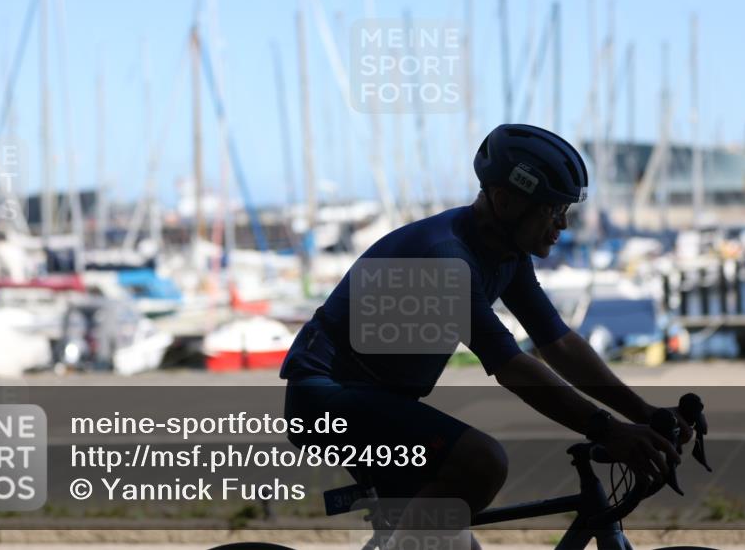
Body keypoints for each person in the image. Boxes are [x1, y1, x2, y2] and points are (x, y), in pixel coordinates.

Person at [280, 124, 691, 549]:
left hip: (379, 400)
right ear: (505, 200)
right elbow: (511, 366)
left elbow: (559, 344)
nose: (562, 225)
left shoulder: (504, 251)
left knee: (453, 541)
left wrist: (642, 412)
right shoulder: (446, 258)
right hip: (327, 395)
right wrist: (607, 430)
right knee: (481, 462)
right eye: (552, 210)